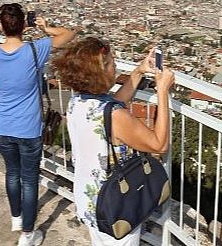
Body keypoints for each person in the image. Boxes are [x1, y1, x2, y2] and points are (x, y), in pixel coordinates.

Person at [51, 37, 175, 245]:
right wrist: (162, 92)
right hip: (117, 201)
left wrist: (138, 72)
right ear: (99, 72)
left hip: (89, 196)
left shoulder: (78, 101)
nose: (115, 64)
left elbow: (112, 104)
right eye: (110, 62)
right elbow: (159, 144)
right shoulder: (115, 115)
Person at [0, 3, 75, 246]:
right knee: (29, 179)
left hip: (3, 125)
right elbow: (70, 34)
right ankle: (28, 234)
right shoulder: (35, 49)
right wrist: (44, 26)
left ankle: (16, 217)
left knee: (12, 173)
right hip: (29, 126)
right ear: (24, 24)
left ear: (1, 26)